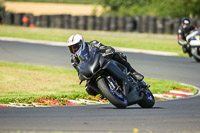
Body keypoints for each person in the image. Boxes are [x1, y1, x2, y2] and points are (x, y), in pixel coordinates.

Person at [67, 34, 144, 96]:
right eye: (71, 48)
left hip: (102, 62)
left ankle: (133, 72)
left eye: (75, 47)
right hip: (92, 70)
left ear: (81, 43)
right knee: (89, 89)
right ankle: (107, 93)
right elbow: (80, 70)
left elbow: (104, 48)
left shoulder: (93, 44)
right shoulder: (74, 59)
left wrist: (108, 51)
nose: (74, 50)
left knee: (118, 55)